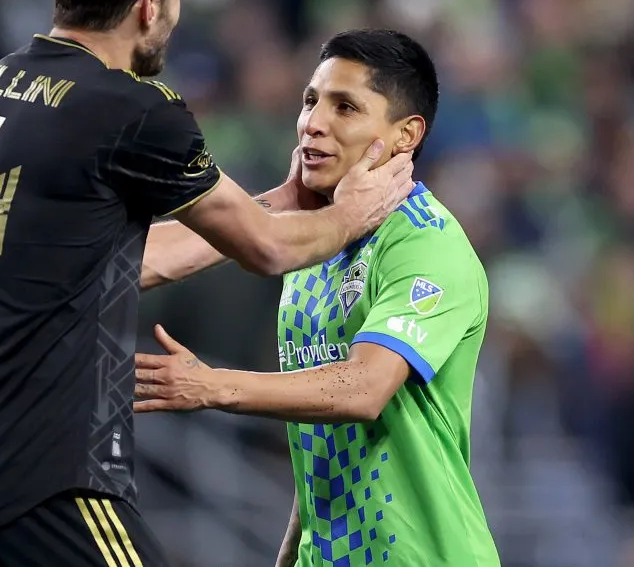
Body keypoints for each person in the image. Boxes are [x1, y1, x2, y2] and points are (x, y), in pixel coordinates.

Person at [0, 0, 416, 567]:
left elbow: (110, 262)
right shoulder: (129, 107)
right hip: (46, 477)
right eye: (176, 1)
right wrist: (350, 214)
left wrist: (277, 202)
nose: (174, 20)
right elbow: (269, 250)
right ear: (149, 6)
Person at [134, 29, 502, 567]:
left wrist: (212, 386)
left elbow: (364, 387)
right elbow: (322, 435)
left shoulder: (425, 243)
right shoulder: (314, 247)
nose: (313, 122)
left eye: (345, 107)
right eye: (311, 101)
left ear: (405, 135)